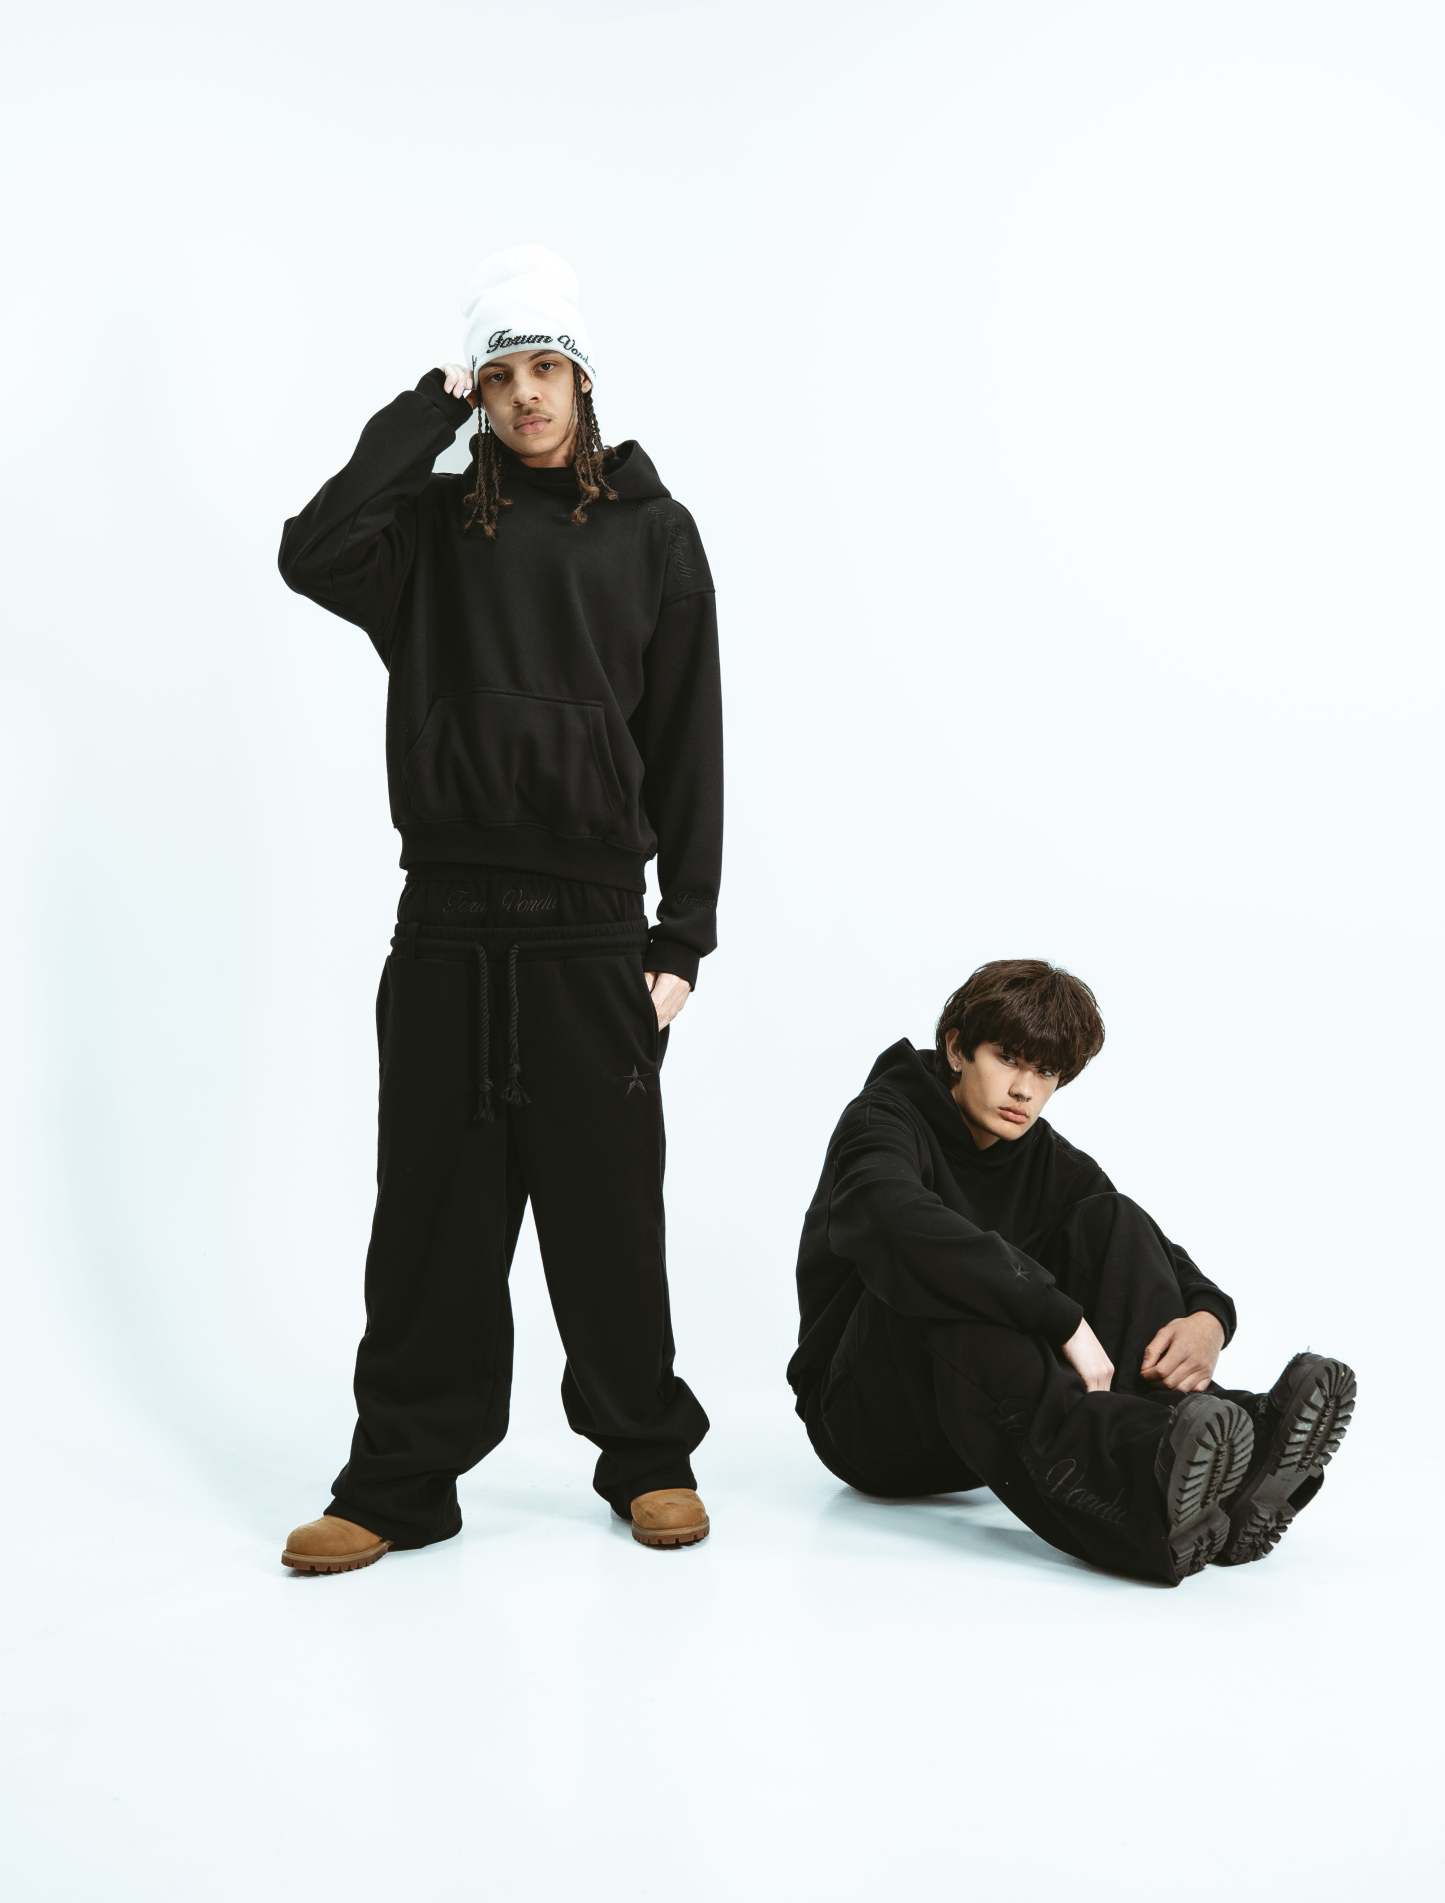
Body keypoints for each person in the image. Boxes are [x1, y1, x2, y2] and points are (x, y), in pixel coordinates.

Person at [275, 243, 721, 1571]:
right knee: (430, 1220)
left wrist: (682, 935)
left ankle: (646, 1455)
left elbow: (687, 740)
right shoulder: (425, 534)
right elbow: (309, 549)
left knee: (607, 1216)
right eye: (501, 374)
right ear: (479, 389)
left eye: (546, 369)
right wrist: (426, 408)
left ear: (582, 381)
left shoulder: (654, 534)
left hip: (593, 931)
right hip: (448, 927)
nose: (527, 395)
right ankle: (400, 1478)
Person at [786, 958, 1356, 1585]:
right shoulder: (883, 1119)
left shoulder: (1042, 1155)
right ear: (956, 1049)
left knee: (1109, 1220)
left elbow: (1140, 1241)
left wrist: (1208, 1316)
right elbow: (889, 1218)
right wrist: (1062, 1319)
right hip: (867, 1423)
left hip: (985, 1427)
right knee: (955, 1286)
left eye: (1045, 1072)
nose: (1023, 1090)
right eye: (1007, 1059)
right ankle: (1142, 1490)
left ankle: (1228, 1456)